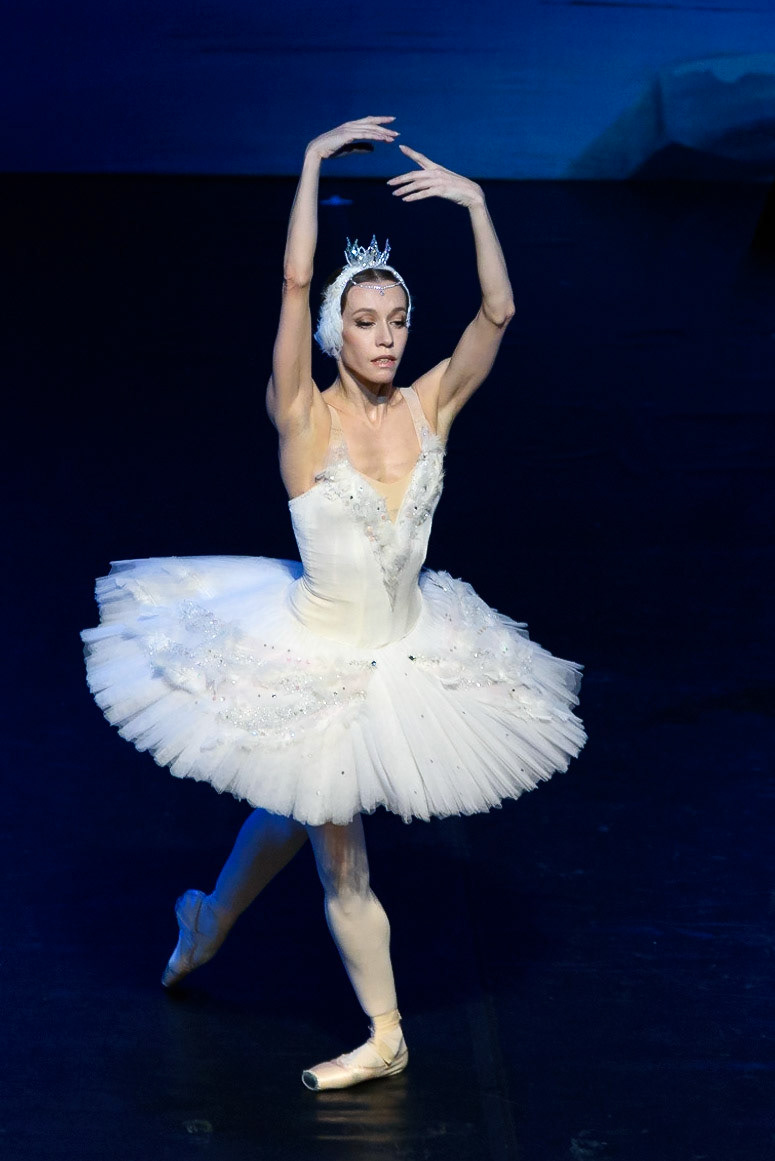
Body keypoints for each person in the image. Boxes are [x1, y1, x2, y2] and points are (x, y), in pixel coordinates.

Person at [81, 116, 587, 1091]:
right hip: (318, 659)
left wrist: (478, 204)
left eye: (396, 321)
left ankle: (208, 920)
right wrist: (312, 163)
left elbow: (497, 313)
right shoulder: (302, 417)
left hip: (407, 646)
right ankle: (387, 1034)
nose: (386, 337)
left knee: (293, 804)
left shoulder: (430, 405)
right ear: (334, 332)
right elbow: (291, 280)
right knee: (341, 861)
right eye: (365, 321)